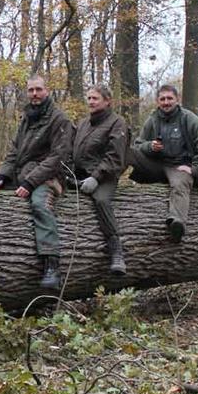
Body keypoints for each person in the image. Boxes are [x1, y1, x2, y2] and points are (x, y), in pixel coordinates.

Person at [0, 74, 73, 289]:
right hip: (23, 173)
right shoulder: (27, 118)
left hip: (49, 177)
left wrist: (30, 183)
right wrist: (2, 176)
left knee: (39, 205)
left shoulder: (59, 119)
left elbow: (57, 158)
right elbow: (14, 151)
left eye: (38, 90)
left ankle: (52, 264)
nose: (34, 94)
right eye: (31, 90)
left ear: (47, 90)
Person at [131, 84, 198, 242]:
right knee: (129, 153)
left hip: (179, 166)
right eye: (162, 99)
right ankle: (108, 184)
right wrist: (150, 146)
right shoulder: (153, 119)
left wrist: (195, 168)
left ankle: (177, 223)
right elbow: (138, 145)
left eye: (169, 98)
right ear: (158, 101)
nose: (166, 102)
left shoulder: (188, 118)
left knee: (180, 186)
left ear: (177, 100)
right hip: (157, 166)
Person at [72, 86, 129, 275]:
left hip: (105, 176)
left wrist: (95, 178)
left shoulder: (117, 123)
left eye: (95, 98)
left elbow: (115, 157)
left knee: (101, 200)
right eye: (88, 98)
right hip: (79, 173)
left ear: (107, 100)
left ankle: (116, 251)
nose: (90, 102)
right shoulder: (83, 123)